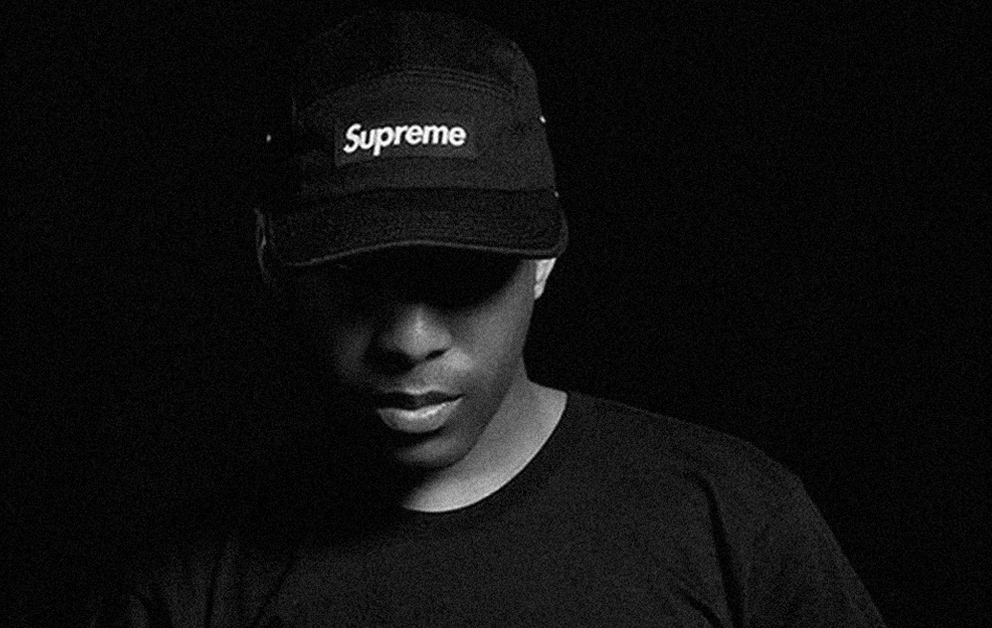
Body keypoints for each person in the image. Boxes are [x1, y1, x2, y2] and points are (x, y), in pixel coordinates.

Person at [89, 9, 886, 627]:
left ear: (543, 258)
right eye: (356, 277)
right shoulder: (189, 584)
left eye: (461, 273)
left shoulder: (733, 523)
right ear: (272, 260)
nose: (410, 339)